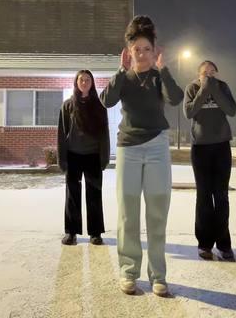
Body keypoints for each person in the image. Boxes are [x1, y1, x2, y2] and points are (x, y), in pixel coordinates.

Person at [100, 15, 184, 296]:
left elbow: (175, 98)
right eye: (138, 49)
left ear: (154, 51)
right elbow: (106, 100)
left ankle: (158, 275)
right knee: (128, 212)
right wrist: (120, 71)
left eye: (148, 49)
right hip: (129, 148)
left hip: (158, 146)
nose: (143, 54)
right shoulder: (125, 77)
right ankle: (129, 271)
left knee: (158, 211)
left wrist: (165, 70)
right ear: (129, 51)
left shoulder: (158, 76)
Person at [183, 60, 236, 261]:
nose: (209, 75)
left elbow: (231, 110)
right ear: (199, 75)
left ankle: (224, 244)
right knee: (204, 196)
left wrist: (215, 89)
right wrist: (204, 90)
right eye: (205, 72)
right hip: (200, 148)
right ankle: (204, 244)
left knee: (221, 196)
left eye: (213, 72)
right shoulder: (192, 88)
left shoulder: (223, 87)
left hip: (222, 145)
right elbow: (189, 112)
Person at [57, 69, 110, 246]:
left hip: (93, 156)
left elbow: (104, 134)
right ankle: (71, 232)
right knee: (72, 196)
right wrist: (62, 158)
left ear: (92, 83)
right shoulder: (68, 105)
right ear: (76, 83)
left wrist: (104, 156)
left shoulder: (99, 105)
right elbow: (62, 133)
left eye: (88, 79)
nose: (85, 82)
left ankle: (95, 233)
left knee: (94, 194)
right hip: (73, 156)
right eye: (81, 79)